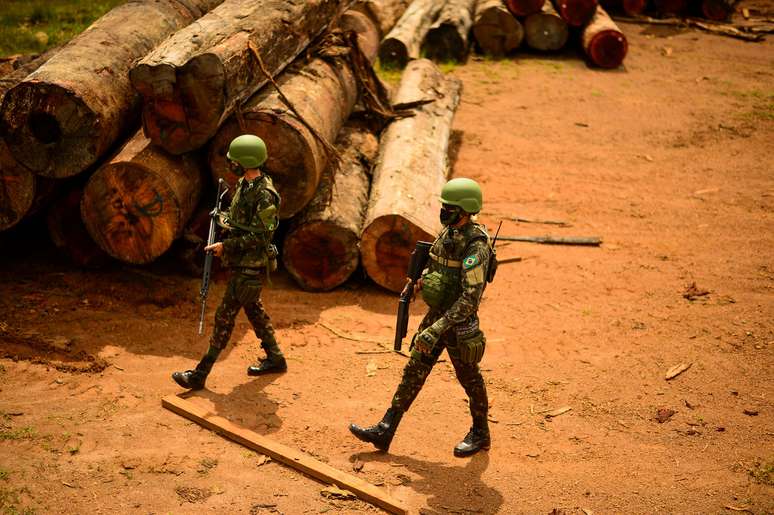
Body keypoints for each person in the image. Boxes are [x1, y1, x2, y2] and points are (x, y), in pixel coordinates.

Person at [349, 177, 494, 457]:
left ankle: (480, 433)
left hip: (459, 324)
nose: (444, 211)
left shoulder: (476, 245)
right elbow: (437, 266)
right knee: (415, 368)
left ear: (466, 210)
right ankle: (386, 428)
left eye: (449, 207)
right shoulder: (447, 234)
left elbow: (469, 299)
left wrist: (437, 328)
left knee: (469, 377)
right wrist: (421, 281)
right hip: (436, 315)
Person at [172, 134, 287, 390]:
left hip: (250, 266)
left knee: (224, 317)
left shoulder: (265, 195)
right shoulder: (245, 186)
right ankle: (276, 357)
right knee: (254, 311)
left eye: (234, 160)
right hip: (241, 262)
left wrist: (226, 246)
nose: (230, 163)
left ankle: (199, 374)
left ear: (245, 162)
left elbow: (260, 236)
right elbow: (242, 221)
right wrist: (222, 218)